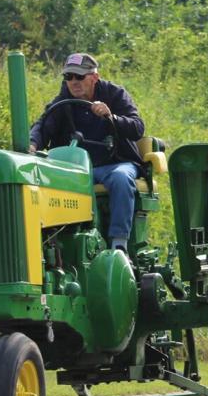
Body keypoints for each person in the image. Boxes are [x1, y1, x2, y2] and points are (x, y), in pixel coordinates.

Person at [29, 53, 145, 252]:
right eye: (68, 77)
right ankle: (54, 245)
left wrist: (112, 117)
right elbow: (43, 125)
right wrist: (32, 144)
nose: (73, 82)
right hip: (76, 169)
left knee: (120, 177)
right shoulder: (62, 101)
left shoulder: (115, 94)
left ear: (94, 77)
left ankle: (119, 244)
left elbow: (137, 128)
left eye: (79, 76)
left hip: (115, 163)